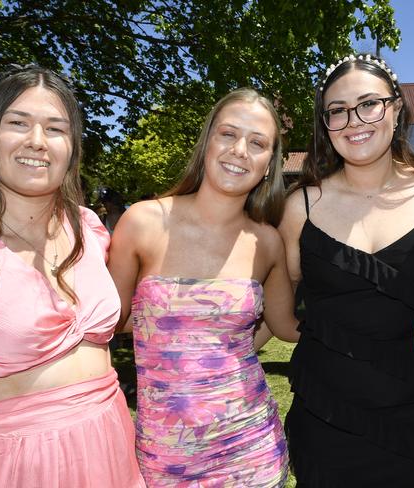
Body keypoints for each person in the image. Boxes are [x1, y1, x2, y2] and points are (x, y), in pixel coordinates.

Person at [0, 66, 144, 487]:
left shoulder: (89, 229)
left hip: (109, 449)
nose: (37, 141)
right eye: (18, 123)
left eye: (55, 128)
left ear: (72, 147)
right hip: (12, 465)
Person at [108, 88, 299, 487]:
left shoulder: (266, 241)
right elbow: (109, 324)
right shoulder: (143, 221)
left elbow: (286, 327)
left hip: (252, 447)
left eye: (258, 143)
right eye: (228, 134)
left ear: (269, 164)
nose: (240, 150)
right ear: (207, 142)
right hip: (166, 455)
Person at [278, 53, 414, 486]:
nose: (354, 120)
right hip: (327, 422)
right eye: (337, 110)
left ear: (396, 109)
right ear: (325, 124)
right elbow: (277, 314)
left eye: (369, 104)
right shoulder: (300, 207)